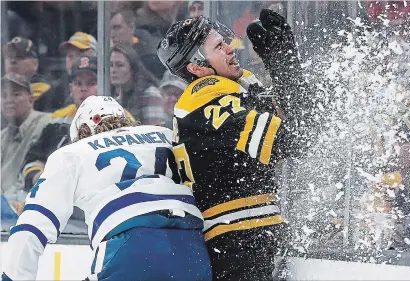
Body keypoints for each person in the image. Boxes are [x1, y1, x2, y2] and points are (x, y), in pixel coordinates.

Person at [157, 10, 317, 280]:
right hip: (238, 239)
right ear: (197, 67)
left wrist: (282, 68)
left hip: (244, 235)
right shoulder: (208, 98)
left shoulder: (229, 91)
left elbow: (302, 127)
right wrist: (286, 68)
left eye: (225, 41)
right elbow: (295, 139)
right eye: (219, 46)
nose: (230, 48)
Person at [1, 96, 212, 281]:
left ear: (82, 131)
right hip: (192, 244)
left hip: (128, 243)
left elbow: (32, 226)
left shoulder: (72, 153)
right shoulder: (165, 134)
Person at [22, 56, 134, 192]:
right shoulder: (57, 119)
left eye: (91, 83)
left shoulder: (122, 118)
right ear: (71, 88)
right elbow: (33, 160)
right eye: (78, 83)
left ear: (106, 85)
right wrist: (39, 177)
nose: (83, 89)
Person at [1, 73, 50, 196]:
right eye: (4, 95)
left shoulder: (47, 125)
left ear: (31, 99)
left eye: (16, 94)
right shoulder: (2, 136)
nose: (9, 100)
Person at [110, 44, 164, 125]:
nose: (113, 70)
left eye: (119, 65)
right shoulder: (113, 96)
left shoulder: (150, 94)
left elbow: (155, 132)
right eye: (111, 65)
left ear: (133, 69)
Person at [2, 36, 60, 112]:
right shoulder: (4, 84)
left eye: (20, 57)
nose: (12, 61)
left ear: (35, 64)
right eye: (9, 57)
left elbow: (18, 112)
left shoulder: (41, 85)